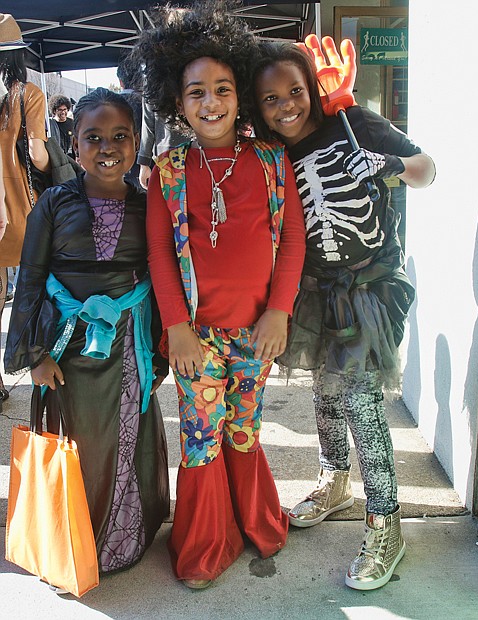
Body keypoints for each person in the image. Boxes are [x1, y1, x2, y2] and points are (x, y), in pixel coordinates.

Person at [251, 38, 436, 591]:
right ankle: (335, 481)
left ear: (312, 89)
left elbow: (428, 170)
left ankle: (387, 523)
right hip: (315, 289)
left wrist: (391, 165)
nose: (286, 105)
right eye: (271, 99)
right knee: (325, 391)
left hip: (371, 288)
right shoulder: (270, 153)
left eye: (295, 91)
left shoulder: (355, 123)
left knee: (360, 400)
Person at [135, 0, 306, 589]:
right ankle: (205, 544)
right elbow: (159, 250)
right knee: (203, 436)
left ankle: (253, 522)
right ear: (176, 103)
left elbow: (292, 243)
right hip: (196, 338)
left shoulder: (270, 160)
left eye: (223, 89)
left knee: (244, 429)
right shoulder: (169, 169)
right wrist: (177, 326)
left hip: (257, 332)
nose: (211, 103)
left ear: (240, 95)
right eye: (195, 93)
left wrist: (279, 312)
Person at [4, 87, 170, 588]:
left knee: (123, 440)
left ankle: (120, 536)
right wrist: (34, 355)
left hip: (127, 344)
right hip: (64, 347)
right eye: (93, 137)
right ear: (73, 143)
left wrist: (160, 353)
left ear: (136, 140)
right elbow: (30, 279)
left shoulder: (150, 205)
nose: (107, 147)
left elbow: (163, 278)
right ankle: (68, 537)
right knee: (74, 440)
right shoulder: (53, 204)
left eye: (120, 136)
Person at [0, 13, 50, 411]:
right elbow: (37, 153)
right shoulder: (28, 93)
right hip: (16, 209)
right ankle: (33, 359)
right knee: (30, 285)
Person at [137, 98, 185, 189]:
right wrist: (144, 163)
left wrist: (144, 163)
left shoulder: (152, 85)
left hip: (166, 154)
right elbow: (148, 123)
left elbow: (148, 124)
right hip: (168, 154)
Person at [117, 54, 143, 187]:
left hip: (118, 168)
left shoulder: (109, 104)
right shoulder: (149, 104)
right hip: (147, 167)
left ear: (121, 82)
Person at [48, 93, 75, 157]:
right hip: (56, 157)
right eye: (60, 110)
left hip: (71, 158)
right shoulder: (50, 125)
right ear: (54, 111)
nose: (63, 112)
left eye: (64, 109)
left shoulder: (72, 123)